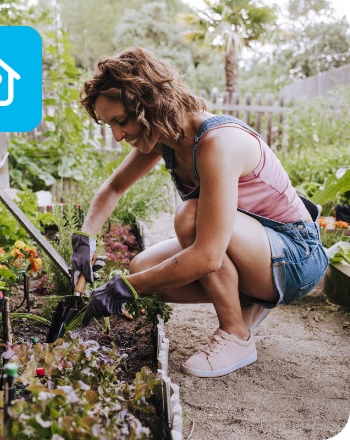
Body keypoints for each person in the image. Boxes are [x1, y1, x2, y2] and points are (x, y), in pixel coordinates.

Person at [70, 47, 328, 378]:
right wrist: (85, 237)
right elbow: (114, 188)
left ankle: (237, 335)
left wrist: (124, 288)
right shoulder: (166, 138)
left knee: (189, 219)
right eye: (110, 125)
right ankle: (249, 301)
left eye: (121, 121)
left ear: (151, 104)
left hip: (296, 256)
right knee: (143, 266)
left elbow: (207, 256)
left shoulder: (217, 143)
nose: (117, 135)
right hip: (255, 250)